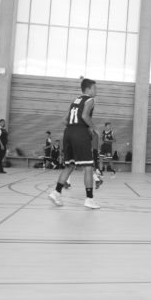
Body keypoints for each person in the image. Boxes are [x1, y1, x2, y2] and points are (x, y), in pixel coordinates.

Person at [48, 78, 100, 209]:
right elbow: (85, 116)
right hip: (80, 134)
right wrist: (94, 129)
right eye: (95, 88)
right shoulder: (90, 100)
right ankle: (89, 199)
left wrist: (74, 128)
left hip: (68, 133)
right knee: (88, 167)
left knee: (69, 166)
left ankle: (56, 193)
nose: (96, 91)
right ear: (88, 89)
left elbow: (64, 120)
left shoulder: (75, 101)